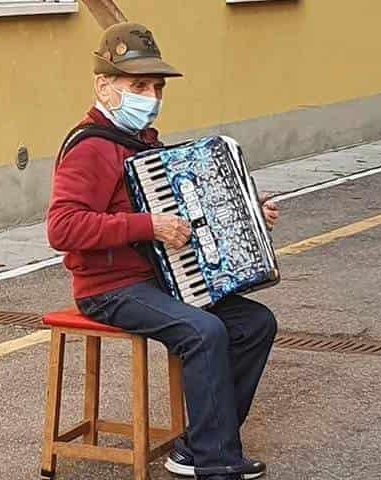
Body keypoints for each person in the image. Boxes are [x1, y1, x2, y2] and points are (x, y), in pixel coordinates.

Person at [46, 22, 279, 480]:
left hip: (156, 278)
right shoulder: (90, 148)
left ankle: (196, 446)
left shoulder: (143, 143)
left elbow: (186, 207)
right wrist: (147, 225)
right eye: (138, 85)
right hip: (108, 288)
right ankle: (217, 464)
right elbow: (62, 227)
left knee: (255, 323)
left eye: (156, 87)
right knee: (204, 331)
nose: (150, 96)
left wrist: (252, 210)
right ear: (104, 87)